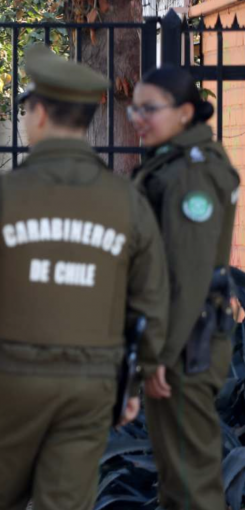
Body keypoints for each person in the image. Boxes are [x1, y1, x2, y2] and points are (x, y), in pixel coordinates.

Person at [0, 45, 169, 510]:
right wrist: (136, 379)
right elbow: (152, 299)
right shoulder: (127, 203)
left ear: (38, 114)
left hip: (7, 381)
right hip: (90, 385)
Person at [130, 66, 240, 510]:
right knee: (177, 477)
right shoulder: (173, 161)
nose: (137, 116)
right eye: (134, 106)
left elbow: (188, 275)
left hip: (184, 344)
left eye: (149, 108)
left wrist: (158, 351)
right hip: (179, 339)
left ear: (185, 112)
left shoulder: (190, 173)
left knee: (192, 482)